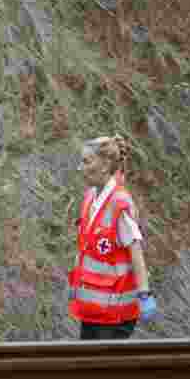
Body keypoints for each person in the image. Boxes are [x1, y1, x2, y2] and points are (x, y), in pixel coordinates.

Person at [68, 135, 157, 339]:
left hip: (115, 313)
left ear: (105, 165)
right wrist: (75, 285)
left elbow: (135, 251)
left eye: (87, 162)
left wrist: (144, 294)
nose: (80, 168)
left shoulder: (119, 203)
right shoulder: (90, 197)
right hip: (92, 310)